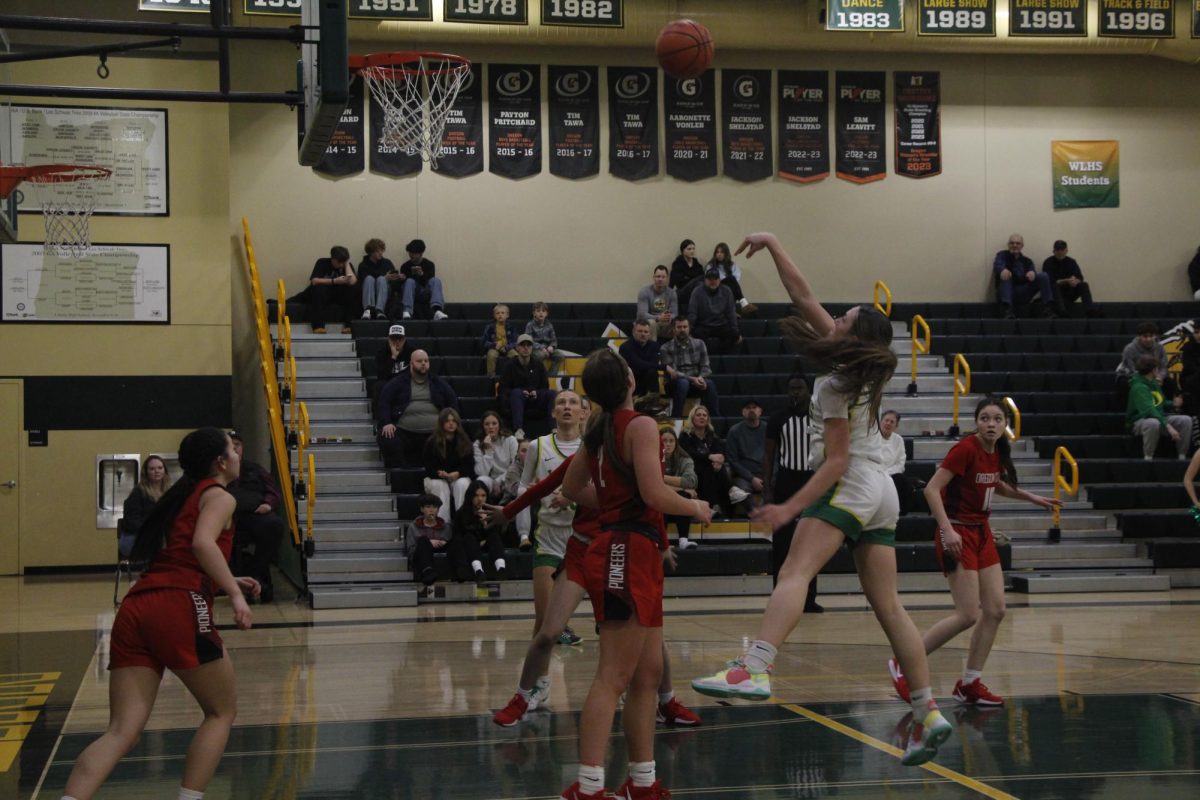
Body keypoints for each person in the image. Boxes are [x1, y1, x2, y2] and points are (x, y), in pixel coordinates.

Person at [691, 232, 952, 768]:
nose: (837, 314)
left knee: (794, 572)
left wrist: (788, 508)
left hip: (852, 482)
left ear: (851, 333)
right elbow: (803, 296)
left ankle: (754, 667)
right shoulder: (862, 366)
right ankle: (928, 713)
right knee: (889, 606)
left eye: (847, 315)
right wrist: (774, 243)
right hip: (884, 493)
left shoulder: (835, 384)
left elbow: (833, 463)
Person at [62, 428, 259, 800]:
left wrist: (227, 576)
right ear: (220, 462)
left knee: (121, 731)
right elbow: (202, 543)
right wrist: (234, 594)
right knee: (221, 712)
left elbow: (183, 553)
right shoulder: (218, 496)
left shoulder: (181, 496)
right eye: (232, 449)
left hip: (139, 605)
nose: (237, 454)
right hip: (177, 605)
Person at [558, 349, 712, 800]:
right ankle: (587, 788)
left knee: (647, 674)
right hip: (625, 548)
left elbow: (570, 489)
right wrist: (695, 508)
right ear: (627, 378)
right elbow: (653, 492)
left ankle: (641, 783)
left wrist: (609, 500)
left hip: (635, 548)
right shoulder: (639, 425)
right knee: (613, 676)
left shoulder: (599, 428)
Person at [487, 443, 702, 732]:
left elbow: (653, 504)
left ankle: (666, 702)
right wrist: (508, 512)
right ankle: (522, 697)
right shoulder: (586, 457)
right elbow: (545, 486)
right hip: (581, 551)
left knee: (651, 637)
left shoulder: (634, 458)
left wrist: (662, 544)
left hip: (618, 555)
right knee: (548, 632)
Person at [888, 397, 1061, 707]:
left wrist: (1032, 498)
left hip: (981, 533)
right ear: (977, 422)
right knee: (968, 614)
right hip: (957, 532)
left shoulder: (996, 452)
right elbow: (931, 489)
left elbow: (996, 485)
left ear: (1006, 423)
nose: (991, 424)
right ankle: (902, 661)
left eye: (997, 419)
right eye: (985, 418)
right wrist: (946, 529)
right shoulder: (966, 448)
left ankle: (969, 683)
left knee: (995, 610)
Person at [520, 391, 586, 643]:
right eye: (561, 402)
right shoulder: (538, 446)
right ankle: (536, 679)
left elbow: (604, 491)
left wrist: (572, 496)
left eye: (573, 402)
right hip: (549, 535)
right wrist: (532, 492)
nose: (566, 407)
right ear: (553, 412)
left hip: (583, 536)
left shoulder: (592, 447)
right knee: (545, 619)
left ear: (583, 413)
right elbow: (522, 486)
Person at [762, 374, 821, 610]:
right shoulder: (778, 419)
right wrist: (767, 489)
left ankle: (809, 598)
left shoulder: (818, 419)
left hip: (812, 480)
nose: (795, 392)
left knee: (812, 540)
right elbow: (768, 456)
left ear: (808, 391)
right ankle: (780, 595)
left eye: (799, 388)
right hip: (786, 479)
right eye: (791, 388)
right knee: (782, 542)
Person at [226, 431, 286, 604]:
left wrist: (268, 504)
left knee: (274, 524)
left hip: (255, 515)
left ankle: (253, 572)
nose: (235, 447)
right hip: (229, 518)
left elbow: (273, 492)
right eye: (230, 444)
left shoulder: (255, 469)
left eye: (237, 444)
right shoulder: (218, 470)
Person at [376, 349, 460, 468]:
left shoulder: (438, 383)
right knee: (386, 436)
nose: (423, 363)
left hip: (434, 433)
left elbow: (453, 403)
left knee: (458, 437)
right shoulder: (398, 382)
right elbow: (384, 402)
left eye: (426, 361)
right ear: (411, 364)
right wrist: (387, 423)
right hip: (404, 432)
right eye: (419, 361)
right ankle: (403, 474)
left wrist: (451, 424)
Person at [407, 493, 487, 584]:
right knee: (423, 540)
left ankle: (462, 570)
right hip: (423, 553)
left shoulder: (446, 527)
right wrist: (428, 542)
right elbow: (411, 551)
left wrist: (445, 542)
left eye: (435, 507)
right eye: (428, 507)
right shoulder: (413, 527)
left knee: (457, 540)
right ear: (422, 509)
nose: (431, 510)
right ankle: (427, 571)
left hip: (444, 550)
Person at [680, 404, 742, 516]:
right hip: (691, 469)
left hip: (709, 470)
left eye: (705, 415)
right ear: (692, 418)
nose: (702, 417)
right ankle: (722, 497)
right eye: (698, 415)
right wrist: (710, 457)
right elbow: (689, 454)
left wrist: (720, 459)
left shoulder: (711, 435)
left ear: (708, 419)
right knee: (710, 468)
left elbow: (719, 452)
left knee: (716, 468)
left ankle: (719, 504)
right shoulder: (685, 436)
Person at [1127, 354, 1193, 460]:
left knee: (1186, 420)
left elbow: (1160, 402)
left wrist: (1173, 403)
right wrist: (1169, 427)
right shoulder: (1138, 387)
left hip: (1159, 418)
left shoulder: (1154, 383)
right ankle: (1148, 457)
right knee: (1153, 422)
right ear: (1153, 370)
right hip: (1139, 421)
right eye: (1156, 368)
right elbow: (1149, 410)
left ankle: (1182, 456)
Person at [422, 407, 476, 523]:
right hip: (438, 478)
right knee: (439, 485)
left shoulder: (465, 440)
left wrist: (458, 473)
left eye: (454, 421)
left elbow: (469, 465)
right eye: (447, 421)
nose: (451, 423)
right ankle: (442, 524)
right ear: (441, 423)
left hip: (458, 477)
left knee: (463, 483)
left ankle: (463, 523)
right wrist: (440, 474)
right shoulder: (432, 442)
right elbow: (428, 465)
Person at [659, 317, 720, 418]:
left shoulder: (700, 344)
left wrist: (700, 378)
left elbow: (706, 367)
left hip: (695, 383)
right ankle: (676, 417)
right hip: (674, 384)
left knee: (709, 383)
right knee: (683, 383)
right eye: (679, 327)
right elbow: (673, 373)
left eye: (685, 327)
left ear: (689, 328)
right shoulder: (665, 347)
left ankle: (716, 419)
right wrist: (692, 379)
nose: (682, 329)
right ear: (673, 329)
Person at [500, 334, 556, 441]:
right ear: (517, 348)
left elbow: (545, 387)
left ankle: (554, 428)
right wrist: (522, 392)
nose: (526, 348)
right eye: (522, 345)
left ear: (532, 348)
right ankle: (518, 430)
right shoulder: (509, 365)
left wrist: (537, 393)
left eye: (528, 345)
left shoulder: (539, 365)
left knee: (552, 394)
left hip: (535, 399)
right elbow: (503, 389)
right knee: (516, 393)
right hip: (517, 399)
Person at [453, 479, 507, 579]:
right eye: (476, 495)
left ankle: (501, 569)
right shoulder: (462, 513)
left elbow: (497, 533)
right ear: (470, 497)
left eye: (483, 495)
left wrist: (486, 522)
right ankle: (478, 570)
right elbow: (460, 534)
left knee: (494, 537)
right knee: (469, 538)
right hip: (469, 545)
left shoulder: (492, 512)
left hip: (487, 543)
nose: (480, 499)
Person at [119, 455, 170, 560]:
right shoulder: (138, 492)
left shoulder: (169, 492)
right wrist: (153, 530)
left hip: (159, 537)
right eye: (152, 469)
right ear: (146, 472)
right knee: (163, 544)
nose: (157, 471)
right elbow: (131, 521)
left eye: (160, 468)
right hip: (135, 537)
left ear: (165, 470)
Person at [992, 234, 1054, 320]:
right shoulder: (1002, 255)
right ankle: (1006, 311)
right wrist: (1002, 270)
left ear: (1022, 245)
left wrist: (1032, 272)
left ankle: (1048, 309)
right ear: (1008, 244)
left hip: (1023, 292)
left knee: (1043, 275)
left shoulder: (1027, 261)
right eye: (1012, 243)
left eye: (1018, 243)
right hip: (1006, 292)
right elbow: (997, 265)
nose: (1014, 245)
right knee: (1006, 274)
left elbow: (1032, 271)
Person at [660, 427, 700, 549]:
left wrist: (661, 478)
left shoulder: (685, 459)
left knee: (683, 496)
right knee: (663, 497)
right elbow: (653, 486)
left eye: (671, 441)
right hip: (660, 503)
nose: (667, 444)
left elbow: (690, 482)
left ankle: (683, 540)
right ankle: (662, 542)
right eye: (664, 440)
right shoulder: (651, 458)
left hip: (677, 505)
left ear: (676, 443)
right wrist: (681, 488)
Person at [689, 267, 742, 355]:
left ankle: (721, 358)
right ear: (705, 280)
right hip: (703, 325)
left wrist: (736, 330)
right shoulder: (697, 291)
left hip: (721, 324)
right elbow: (692, 312)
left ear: (719, 280)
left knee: (734, 335)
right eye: (710, 279)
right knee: (696, 335)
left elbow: (731, 313)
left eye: (715, 279)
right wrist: (690, 331)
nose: (713, 281)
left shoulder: (727, 291)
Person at [307, 245, 358, 334]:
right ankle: (318, 326)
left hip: (338, 295)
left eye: (343, 262)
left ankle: (349, 326)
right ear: (333, 259)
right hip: (323, 293)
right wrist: (334, 281)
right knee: (318, 289)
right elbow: (314, 281)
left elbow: (353, 281)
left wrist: (347, 263)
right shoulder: (322, 262)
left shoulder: (346, 265)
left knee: (352, 289)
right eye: (339, 262)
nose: (341, 265)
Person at [726, 399, 767, 509]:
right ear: (742, 412)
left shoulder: (768, 429)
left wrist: (768, 476)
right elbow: (732, 460)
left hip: (765, 473)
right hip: (743, 476)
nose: (751, 410)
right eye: (748, 408)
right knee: (738, 491)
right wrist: (751, 478)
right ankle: (756, 514)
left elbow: (776, 455)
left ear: (760, 411)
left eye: (754, 407)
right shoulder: (734, 431)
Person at [1041, 240, 1097, 317]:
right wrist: (1066, 281)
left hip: (1069, 293)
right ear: (1053, 251)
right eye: (1058, 250)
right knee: (1054, 285)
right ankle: (1062, 311)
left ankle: (1090, 311)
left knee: (1083, 285)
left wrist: (1075, 281)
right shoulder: (1048, 262)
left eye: (1062, 250)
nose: (1060, 252)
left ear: (1066, 250)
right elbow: (1049, 281)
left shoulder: (1071, 262)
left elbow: (1080, 277)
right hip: (1055, 295)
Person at [473, 410, 519, 502]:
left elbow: (516, 465)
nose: (491, 427)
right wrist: (489, 451)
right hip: (491, 480)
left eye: (494, 423)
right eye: (487, 424)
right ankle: (481, 513)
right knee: (481, 480)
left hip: (509, 476)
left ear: (499, 425)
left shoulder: (510, 440)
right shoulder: (477, 444)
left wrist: (499, 481)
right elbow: (481, 472)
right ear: (483, 427)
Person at [398, 239, 449, 321]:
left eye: (414, 253)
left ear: (421, 253)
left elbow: (430, 282)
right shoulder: (405, 266)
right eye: (410, 253)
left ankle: (437, 310)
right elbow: (403, 286)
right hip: (412, 292)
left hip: (425, 291)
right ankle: (407, 311)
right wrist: (402, 279)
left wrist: (422, 275)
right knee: (410, 281)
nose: (411, 255)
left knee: (436, 280)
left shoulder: (429, 265)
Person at [880, 410, 917, 516]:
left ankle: (900, 514)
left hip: (892, 474)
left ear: (896, 426)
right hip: (875, 473)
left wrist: (887, 474)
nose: (888, 423)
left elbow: (900, 464)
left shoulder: (898, 440)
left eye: (892, 422)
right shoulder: (872, 437)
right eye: (886, 420)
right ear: (881, 422)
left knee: (902, 481)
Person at [708, 241, 757, 316]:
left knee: (731, 283)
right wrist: (725, 280)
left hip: (728, 289)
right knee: (730, 278)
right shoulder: (711, 266)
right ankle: (743, 303)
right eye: (717, 252)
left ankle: (731, 311)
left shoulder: (732, 265)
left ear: (726, 254)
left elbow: (736, 280)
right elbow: (709, 280)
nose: (719, 254)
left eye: (722, 252)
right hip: (715, 289)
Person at [373, 324, 416, 408]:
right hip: (388, 383)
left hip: (406, 382)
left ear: (404, 339)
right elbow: (381, 376)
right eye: (393, 339)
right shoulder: (382, 353)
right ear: (389, 339)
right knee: (378, 386)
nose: (397, 342)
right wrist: (393, 357)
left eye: (400, 339)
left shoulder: (412, 352)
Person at [619, 319, 663, 401]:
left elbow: (653, 365)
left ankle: (654, 402)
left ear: (649, 334)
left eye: (646, 332)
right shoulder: (625, 347)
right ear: (633, 332)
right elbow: (637, 364)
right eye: (640, 331)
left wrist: (655, 366)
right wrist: (664, 367)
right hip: (632, 381)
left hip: (648, 380)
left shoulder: (655, 346)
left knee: (652, 372)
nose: (643, 334)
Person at [357, 238, 399, 320]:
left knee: (381, 279)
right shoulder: (363, 265)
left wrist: (396, 277)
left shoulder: (387, 263)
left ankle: (380, 310)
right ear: (371, 252)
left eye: (382, 250)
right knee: (369, 278)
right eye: (377, 251)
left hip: (384, 290)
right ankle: (367, 310)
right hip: (368, 290)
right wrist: (384, 276)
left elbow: (395, 283)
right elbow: (362, 280)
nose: (381, 253)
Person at [636, 265, 678, 340]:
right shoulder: (644, 292)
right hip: (648, 323)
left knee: (679, 324)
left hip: (665, 323)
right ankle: (653, 349)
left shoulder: (672, 293)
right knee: (652, 323)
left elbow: (674, 313)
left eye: (663, 277)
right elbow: (642, 314)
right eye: (658, 276)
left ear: (667, 278)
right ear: (653, 277)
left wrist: (668, 317)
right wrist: (658, 318)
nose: (660, 279)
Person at [526, 301, 565, 375]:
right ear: (534, 313)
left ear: (546, 314)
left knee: (560, 356)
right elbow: (529, 340)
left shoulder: (549, 325)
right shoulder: (530, 325)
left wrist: (552, 347)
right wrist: (542, 348)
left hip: (548, 348)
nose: (541, 313)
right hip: (536, 349)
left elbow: (554, 340)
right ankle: (541, 374)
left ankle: (551, 375)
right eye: (538, 311)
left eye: (543, 311)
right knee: (540, 355)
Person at [481, 303, 517, 378]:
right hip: (495, 347)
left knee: (515, 356)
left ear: (507, 315)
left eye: (502, 313)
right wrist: (494, 345)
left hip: (507, 347)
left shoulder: (511, 327)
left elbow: (515, 342)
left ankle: (515, 375)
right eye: (497, 313)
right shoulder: (490, 327)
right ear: (494, 315)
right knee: (491, 355)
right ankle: (491, 376)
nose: (500, 315)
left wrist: (507, 347)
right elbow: (484, 341)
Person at [669, 238, 705, 310]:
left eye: (693, 249)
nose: (692, 251)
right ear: (683, 251)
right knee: (698, 281)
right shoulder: (677, 264)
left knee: (701, 282)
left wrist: (688, 277)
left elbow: (702, 278)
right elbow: (678, 281)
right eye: (689, 249)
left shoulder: (697, 264)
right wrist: (693, 280)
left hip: (695, 291)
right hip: (681, 291)